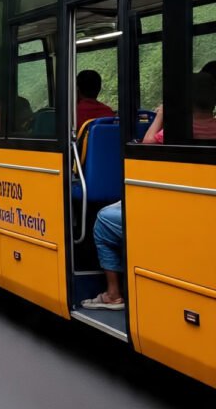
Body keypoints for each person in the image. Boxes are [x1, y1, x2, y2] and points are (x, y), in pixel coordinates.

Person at [83, 72, 216, 310]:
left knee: (103, 219)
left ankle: (113, 294)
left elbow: (146, 148)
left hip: (174, 208)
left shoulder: (179, 130)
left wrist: (163, 114)